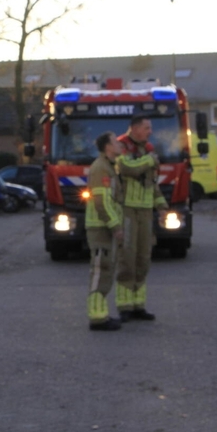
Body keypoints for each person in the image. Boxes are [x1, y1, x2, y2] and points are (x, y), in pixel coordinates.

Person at [115, 115, 168, 321]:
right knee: (127, 258)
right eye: (147, 128)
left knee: (143, 258)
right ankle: (124, 306)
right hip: (127, 209)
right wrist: (150, 160)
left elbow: (152, 184)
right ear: (135, 129)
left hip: (145, 211)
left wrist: (162, 206)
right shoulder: (121, 146)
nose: (150, 131)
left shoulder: (148, 149)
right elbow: (128, 168)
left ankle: (139, 305)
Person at [85, 132, 125, 331]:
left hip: (104, 227)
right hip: (100, 228)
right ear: (108, 147)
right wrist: (115, 226)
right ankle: (97, 317)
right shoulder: (101, 168)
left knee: (106, 270)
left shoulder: (109, 166)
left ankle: (101, 314)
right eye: (116, 141)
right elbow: (101, 202)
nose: (120, 144)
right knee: (100, 271)